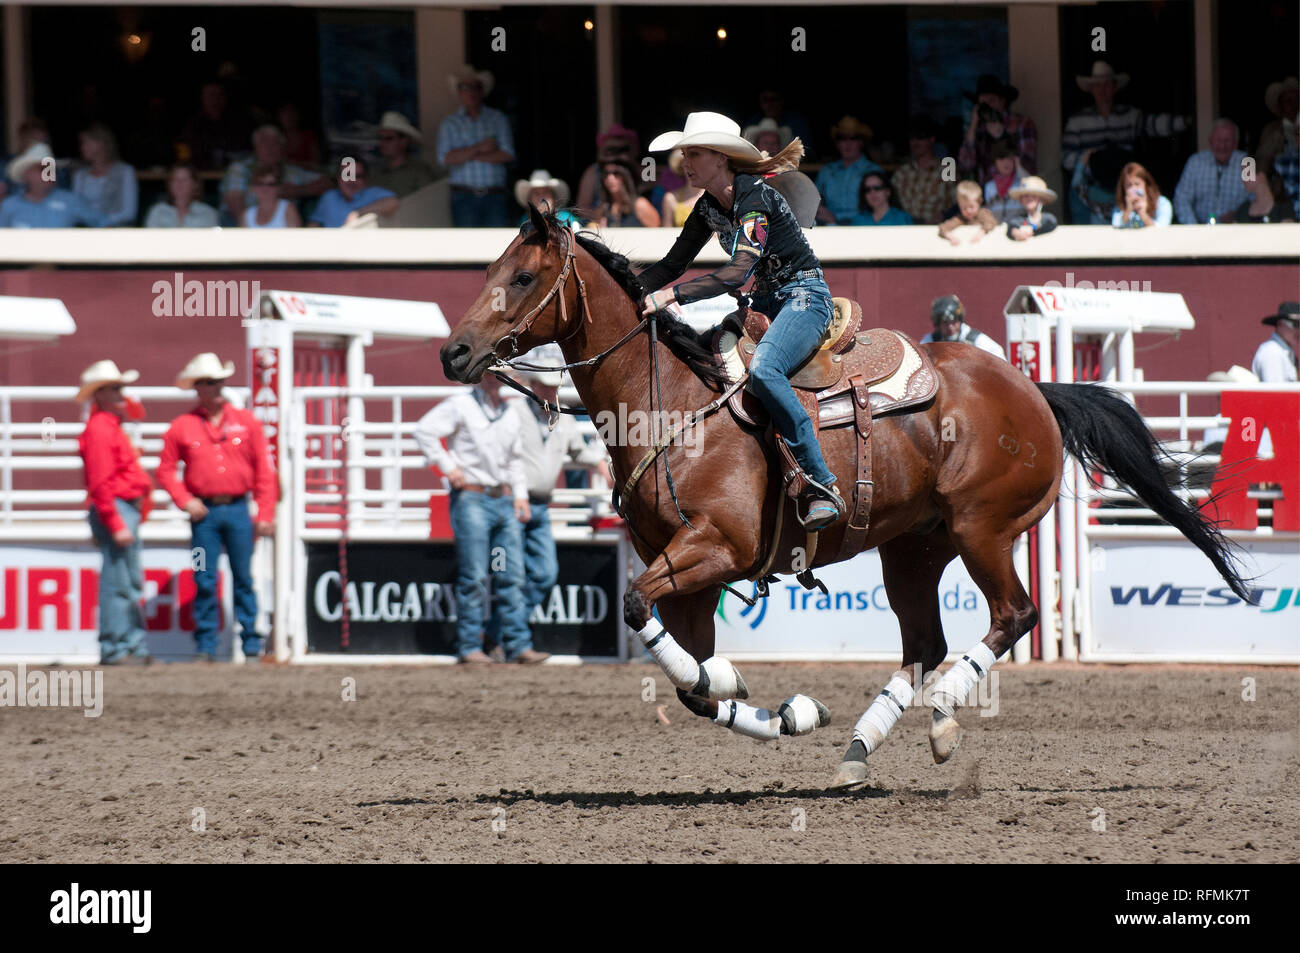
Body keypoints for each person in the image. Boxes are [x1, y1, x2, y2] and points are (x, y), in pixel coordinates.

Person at [639, 111, 845, 531]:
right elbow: (672, 264)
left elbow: (736, 273)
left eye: (693, 153)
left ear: (720, 158)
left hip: (805, 297)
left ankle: (821, 482)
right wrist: (629, 289)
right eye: (684, 154)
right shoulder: (708, 207)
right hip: (765, 304)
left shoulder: (755, 197)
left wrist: (670, 295)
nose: (686, 162)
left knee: (766, 370)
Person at [484, 352, 610, 659]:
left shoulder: (558, 417)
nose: (549, 392)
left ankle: (495, 634)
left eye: (552, 386)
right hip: (514, 502)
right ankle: (515, 644)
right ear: (532, 385)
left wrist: (600, 464)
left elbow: (579, 451)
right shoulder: (512, 414)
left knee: (542, 573)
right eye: (544, 385)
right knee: (514, 575)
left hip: (537, 504)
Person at [413, 381, 548, 664]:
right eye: (492, 374)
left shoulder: (507, 413)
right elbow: (424, 430)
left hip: (499, 498)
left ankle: (513, 643)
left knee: (511, 574)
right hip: (472, 497)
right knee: (475, 575)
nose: (496, 380)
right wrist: (449, 467)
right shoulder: (461, 405)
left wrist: (520, 496)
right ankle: (473, 645)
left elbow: (514, 460)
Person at [157, 354, 277, 662]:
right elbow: (166, 470)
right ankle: (206, 645)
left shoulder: (246, 422)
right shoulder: (182, 427)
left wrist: (265, 514)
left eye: (219, 381)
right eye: (210, 382)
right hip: (204, 516)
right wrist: (186, 500)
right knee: (203, 576)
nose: (218, 387)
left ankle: (251, 643)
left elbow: (264, 470)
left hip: (238, 510)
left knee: (244, 577)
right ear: (198, 388)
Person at [77, 361, 154, 665]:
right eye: (117, 388)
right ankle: (118, 647)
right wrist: (115, 520)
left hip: (122, 508)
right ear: (101, 394)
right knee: (119, 582)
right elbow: (100, 482)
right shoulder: (101, 428)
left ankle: (127, 646)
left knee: (126, 580)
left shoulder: (108, 425)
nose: (124, 394)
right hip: (118, 509)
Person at [1062, 61, 1142, 223]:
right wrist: (1089, 160)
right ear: (1091, 89)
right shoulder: (1078, 121)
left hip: (1125, 189)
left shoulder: (1130, 115)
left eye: (1107, 85)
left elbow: (1155, 125)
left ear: (1115, 87)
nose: (1103, 90)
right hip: (1091, 192)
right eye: (1098, 85)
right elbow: (1066, 159)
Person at [436, 65, 516, 227]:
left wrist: (465, 155)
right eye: (465, 87)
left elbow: (507, 154)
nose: (471, 91)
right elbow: (445, 158)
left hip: (494, 195)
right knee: (466, 248)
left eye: (476, 87)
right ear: (459, 92)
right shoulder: (450, 123)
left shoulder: (497, 118)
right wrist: (480, 147)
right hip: (463, 196)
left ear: (482, 91)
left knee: (497, 246)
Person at [220, 124, 329, 226]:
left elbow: (327, 183)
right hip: (242, 225)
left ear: (282, 148)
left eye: (275, 144)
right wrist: (250, 230)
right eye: (264, 143)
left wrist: (297, 190)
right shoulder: (239, 169)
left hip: (285, 225)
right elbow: (234, 203)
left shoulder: (292, 171)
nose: (269, 148)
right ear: (255, 148)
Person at [0, 143, 106, 228]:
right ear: (27, 174)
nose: (49, 173)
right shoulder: (10, 205)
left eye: (52, 168)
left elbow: (106, 224)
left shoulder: (70, 201)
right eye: (43, 168)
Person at [959, 74, 1037, 182]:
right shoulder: (979, 129)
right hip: (988, 193)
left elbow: (1027, 164)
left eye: (991, 101)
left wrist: (1002, 136)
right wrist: (973, 125)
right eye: (983, 103)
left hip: (1017, 191)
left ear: (1002, 101)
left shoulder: (1022, 123)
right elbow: (965, 165)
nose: (988, 107)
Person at [1173, 119, 1249, 224]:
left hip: (1235, 230)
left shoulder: (1248, 163)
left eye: (1227, 141)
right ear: (1210, 141)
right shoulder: (1195, 162)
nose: (1222, 146)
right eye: (1218, 140)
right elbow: (1181, 199)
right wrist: (1193, 228)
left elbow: (1255, 200)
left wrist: (1239, 215)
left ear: (1236, 144)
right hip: (1199, 228)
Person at [815, 116, 881, 225]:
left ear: (861, 142)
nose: (847, 143)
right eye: (842, 138)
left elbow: (881, 208)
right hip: (830, 226)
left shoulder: (872, 170)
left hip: (865, 226)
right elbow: (812, 202)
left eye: (853, 138)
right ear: (837, 143)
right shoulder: (827, 171)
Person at [891, 116, 956, 226]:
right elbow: (890, 202)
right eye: (912, 138)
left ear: (931, 140)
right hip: (904, 228)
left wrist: (944, 216)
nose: (915, 142)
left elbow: (955, 203)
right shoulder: (902, 171)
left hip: (934, 228)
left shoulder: (947, 167)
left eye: (920, 137)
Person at [72, 123, 138, 226]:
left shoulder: (125, 171)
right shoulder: (80, 175)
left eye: (87, 142)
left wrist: (104, 221)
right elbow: (75, 208)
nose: (83, 147)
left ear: (101, 143)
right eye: (82, 143)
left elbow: (129, 212)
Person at [308, 156, 398, 227]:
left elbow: (392, 202)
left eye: (357, 176)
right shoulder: (329, 197)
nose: (352, 181)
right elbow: (314, 224)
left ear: (366, 179)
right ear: (338, 178)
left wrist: (358, 213)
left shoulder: (373, 193)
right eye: (347, 175)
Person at [182, 81, 252, 171]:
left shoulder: (240, 122)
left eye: (219, 95)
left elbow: (245, 151)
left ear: (225, 98)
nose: (215, 99)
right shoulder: (193, 125)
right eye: (211, 95)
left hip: (235, 173)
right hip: (202, 175)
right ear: (203, 98)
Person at [370, 111, 440, 198]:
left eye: (389, 138)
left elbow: (428, 202)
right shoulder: (374, 170)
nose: (383, 143)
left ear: (404, 141)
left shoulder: (419, 172)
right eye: (380, 138)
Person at [575, 123, 640, 212]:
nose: (617, 154)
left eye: (623, 149)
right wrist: (604, 218)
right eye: (612, 149)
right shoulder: (594, 172)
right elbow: (582, 209)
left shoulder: (642, 170)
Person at [921, 295, 1005, 359]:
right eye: (945, 323)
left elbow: (998, 354)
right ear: (938, 324)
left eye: (954, 322)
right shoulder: (931, 342)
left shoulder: (974, 339)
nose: (950, 327)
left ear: (960, 320)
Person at [1256, 77, 1298, 203]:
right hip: (1278, 193)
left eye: (1296, 100)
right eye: (1287, 101)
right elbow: (1261, 162)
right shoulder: (1271, 130)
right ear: (1280, 105)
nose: (1292, 105)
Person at [1225, 155, 1297, 223]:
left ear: (1261, 175)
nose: (1243, 179)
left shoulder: (1284, 208)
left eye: (1246, 173)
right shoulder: (1243, 209)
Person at [144, 163, 220, 228]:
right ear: (169, 184)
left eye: (185, 179)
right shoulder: (157, 212)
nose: (179, 183)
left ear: (195, 184)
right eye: (175, 179)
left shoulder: (208, 213)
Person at [594, 159, 659, 227]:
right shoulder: (602, 209)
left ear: (625, 176)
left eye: (616, 173)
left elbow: (656, 233)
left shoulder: (640, 204)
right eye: (606, 174)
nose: (610, 178)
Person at [982, 138, 1029, 224]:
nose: (1006, 162)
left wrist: (1018, 166)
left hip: (1017, 229)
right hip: (996, 231)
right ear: (995, 161)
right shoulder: (989, 186)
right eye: (1001, 158)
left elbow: (1030, 185)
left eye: (1010, 159)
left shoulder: (1022, 181)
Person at [1112, 162, 1173, 228]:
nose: (1134, 189)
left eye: (1137, 184)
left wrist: (1143, 214)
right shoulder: (1121, 206)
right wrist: (1128, 210)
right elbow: (1115, 226)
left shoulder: (1162, 203)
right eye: (1129, 186)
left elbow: (1162, 229)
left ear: (1146, 184)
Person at [514, 169, 579, 228]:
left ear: (554, 197)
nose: (541, 197)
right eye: (536, 193)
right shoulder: (524, 219)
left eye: (545, 192)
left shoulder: (567, 217)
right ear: (529, 199)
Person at [1252, 302, 1299, 383]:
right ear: (1280, 324)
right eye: (1296, 324)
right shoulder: (1272, 352)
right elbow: (1277, 393)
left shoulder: (1284, 351)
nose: (1299, 331)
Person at [659, 150, 703, 227]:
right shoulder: (670, 198)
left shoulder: (715, 195)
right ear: (681, 168)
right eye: (687, 165)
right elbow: (665, 233)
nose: (692, 168)